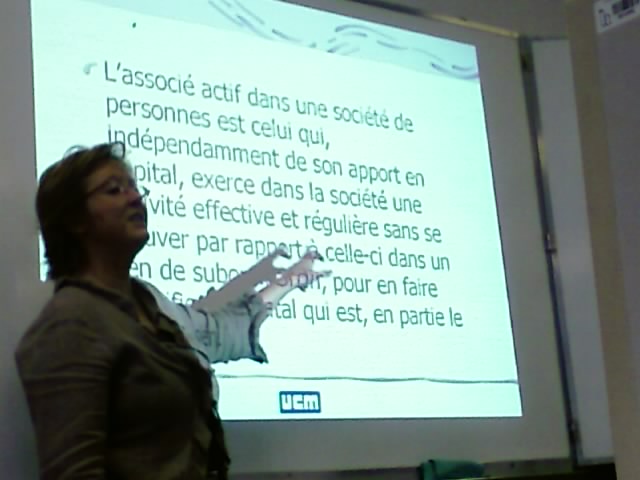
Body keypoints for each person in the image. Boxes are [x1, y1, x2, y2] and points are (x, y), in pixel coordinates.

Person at [14, 142, 329, 480]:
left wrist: (286, 281)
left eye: (134, 187)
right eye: (114, 190)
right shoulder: (69, 325)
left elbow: (218, 333)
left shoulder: (149, 303)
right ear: (74, 219)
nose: (135, 198)